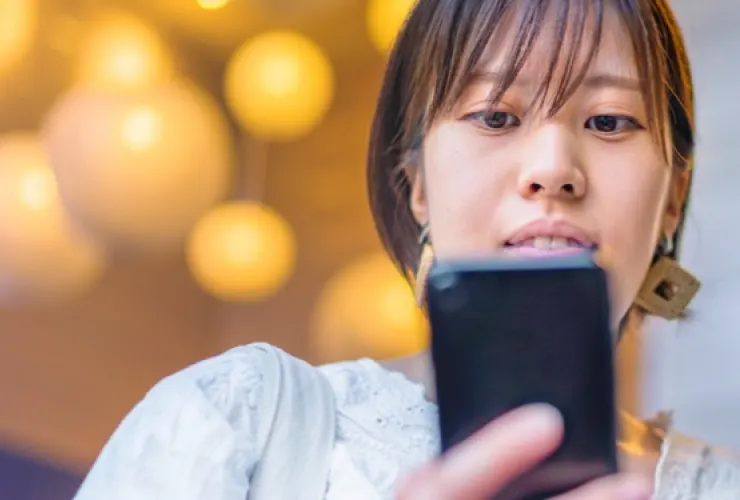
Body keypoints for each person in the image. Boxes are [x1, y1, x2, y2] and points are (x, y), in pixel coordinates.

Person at [73, 0, 740, 499]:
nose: (553, 168)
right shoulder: (236, 415)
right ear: (417, 183)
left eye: (609, 121)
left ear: (674, 194)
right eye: (495, 116)